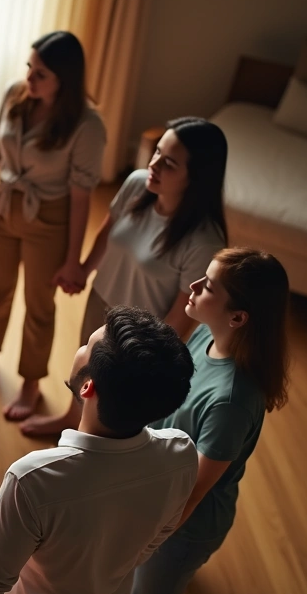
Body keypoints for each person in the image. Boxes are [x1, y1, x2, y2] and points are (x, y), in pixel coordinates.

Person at [0, 306, 198, 594]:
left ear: (88, 387)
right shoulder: (181, 454)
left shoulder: (34, 480)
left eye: (87, 344)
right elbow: (154, 540)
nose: (80, 347)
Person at [20, 117, 229, 436]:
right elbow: (110, 230)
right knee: (85, 372)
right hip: (102, 299)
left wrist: (146, 359)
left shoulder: (204, 241)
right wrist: (83, 269)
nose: (154, 165)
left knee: (112, 402)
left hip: (138, 334)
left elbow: (181, 317)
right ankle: (70, 420)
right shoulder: (137, 183)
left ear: (197, 178)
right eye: (157, 152)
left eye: (169, 163)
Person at [0, 31, 107, 422]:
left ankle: (31, 381)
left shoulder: (87, 126)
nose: (29, 78)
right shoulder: (16, 95)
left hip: (49, 219)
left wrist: (74, 261)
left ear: (64, 79)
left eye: (41, 73)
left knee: (38, 305)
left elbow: (81, 196)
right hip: (3, 209)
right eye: (29, 67)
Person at [128, 249, 290, 594]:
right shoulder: (207, 335)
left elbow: (191, 495)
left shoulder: (230, 403)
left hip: (182, 528)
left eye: (209, 287)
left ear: (237, 317)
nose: (193, 286)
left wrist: (143, 544)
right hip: (160, 494)